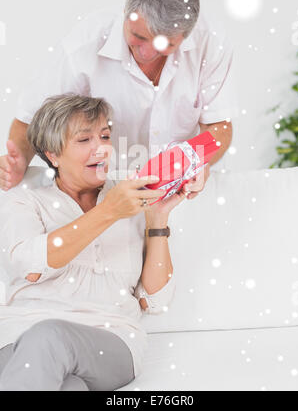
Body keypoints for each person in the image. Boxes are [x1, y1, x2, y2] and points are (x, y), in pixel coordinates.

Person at [0, 93, 187, 391]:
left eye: (104, 136)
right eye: (84, 140)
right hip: (20, 332)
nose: (100, 149)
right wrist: (109, 211)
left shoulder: (132, 198)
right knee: (70, 386)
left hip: (109, 339)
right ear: (53, 154)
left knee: (49, 337)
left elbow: (155, 300)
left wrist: (157, 219)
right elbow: (32, 266)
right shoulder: (26, 201)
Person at [0, 0, 238, 198]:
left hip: (177, 193)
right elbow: (32, 119)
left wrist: (196, 160)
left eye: (164, 46)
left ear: (186, 34)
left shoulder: (210, 42)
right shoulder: (84, 45)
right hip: (102, 194)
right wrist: (18, 161)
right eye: (138, 37)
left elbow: (219, 127)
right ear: (127, 10)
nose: (146, 53)